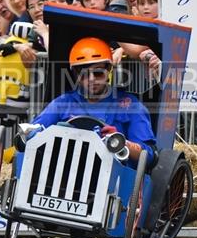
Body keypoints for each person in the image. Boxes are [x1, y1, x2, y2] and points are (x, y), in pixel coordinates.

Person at [30, 37, 157, 167]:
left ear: (108, 70)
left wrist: (120, 142)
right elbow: (31, 134)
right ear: (75, 75)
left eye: (98, 73)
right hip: (64, 173)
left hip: (116, 178)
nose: (91, 79)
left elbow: (148, 156)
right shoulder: (62, 103)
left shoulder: (130, 104)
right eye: (84, 74)